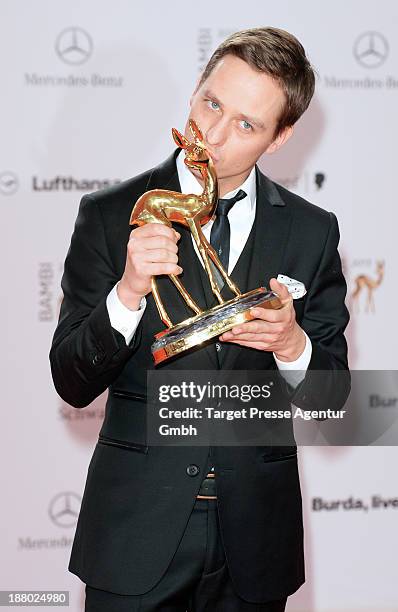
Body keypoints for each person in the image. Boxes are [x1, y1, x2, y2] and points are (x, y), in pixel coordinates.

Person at [50, 27, 350, 611]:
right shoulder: (112, 215)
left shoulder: (312, 232)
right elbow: (71, 380)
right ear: (195, 89)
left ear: (281, 137)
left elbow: (331, 398)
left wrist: (291, 344)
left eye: (246, 124)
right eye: (211, 103)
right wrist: (129, 291)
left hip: (256, 538)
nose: (212, 136)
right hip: (134, 529)